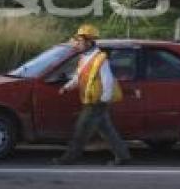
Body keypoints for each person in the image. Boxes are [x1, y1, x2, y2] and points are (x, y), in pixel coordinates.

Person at [53, 24, 131, 166]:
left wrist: (104, 100)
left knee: (80, 130)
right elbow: (78, 77)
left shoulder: (100, 59)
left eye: (80, 41)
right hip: (92, 100)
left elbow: (107, 81)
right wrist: (67, 87)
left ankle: (69, 158)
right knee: (107, 130)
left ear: (88, 42)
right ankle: (123, 156)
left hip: (96, 102)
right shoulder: (84, 58)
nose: (77, 43)